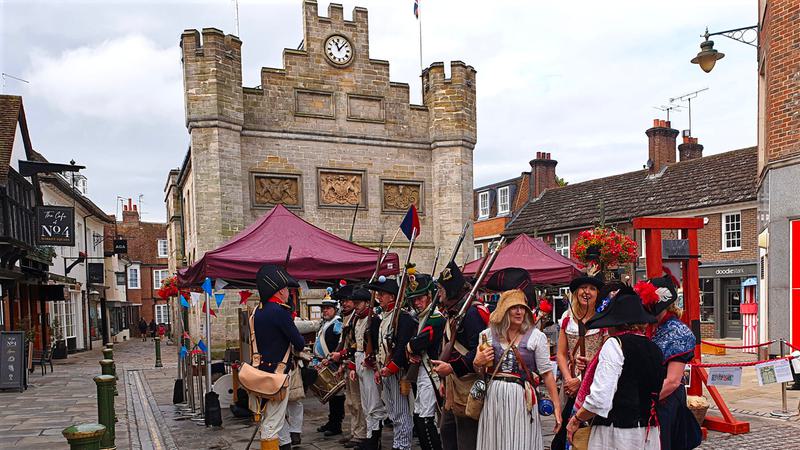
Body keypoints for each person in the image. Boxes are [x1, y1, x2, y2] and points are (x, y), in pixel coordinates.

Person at [566, 286, 665, 450]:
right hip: (649, 433)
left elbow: (599, 399)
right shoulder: (653, 348)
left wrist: (576, 419)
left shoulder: (614, 344)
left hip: (616, 434)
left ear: (614, 323)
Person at [472, 290, 561, 449]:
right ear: (504, 311)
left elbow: (547, 374)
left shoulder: (536, 337)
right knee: (496, 441)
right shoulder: (487, 335)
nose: (519, 312)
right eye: (514, 307)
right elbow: (480, 371)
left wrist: (556, 407)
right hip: (494, 397)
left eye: (522, 307)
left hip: (522, 398)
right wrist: (478, 362)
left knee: (521, 441)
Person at [636, 274, 702, 450]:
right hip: (650, 397)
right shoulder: (650, 328)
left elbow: (672, 381)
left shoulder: (678, 332)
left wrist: (643, 402)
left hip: (665, 401)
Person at [430, 261, 489, 450]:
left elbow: (480, 350)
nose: (439, 294)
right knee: (447, 434)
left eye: (441, 289)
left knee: (466, 441)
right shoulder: (454, 312)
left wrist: (452, 368)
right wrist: (443, 380)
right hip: (452, 386)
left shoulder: (471, 313)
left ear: (451, 290)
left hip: (468, 387)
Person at [551, 271, 606, 450]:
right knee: (564, 432)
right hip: (570, 383)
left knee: (590, 431)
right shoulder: (567, 320)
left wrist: (581, 381)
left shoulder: (604, 321)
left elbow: (605, 356)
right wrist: (569, 379)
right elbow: (561, 354)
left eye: (592, 288)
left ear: (598, 294)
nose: (586, 292)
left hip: (595, 380)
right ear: (576, 293)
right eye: (583, 287)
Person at [253, 264, 306, 450]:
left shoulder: (258, 311)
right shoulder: (280, 312)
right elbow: (299, 342)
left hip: (263, 371)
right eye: (285, 289)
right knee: (273, 423)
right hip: (279, 372)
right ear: (278, 291)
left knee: (269, 417)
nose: (287, 293)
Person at [366, 275, 417, 450]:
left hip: (397, 371)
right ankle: (398, 443)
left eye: (382, 294)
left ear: (393, 297)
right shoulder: (386, 317)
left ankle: (402, 445)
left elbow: (403, 346)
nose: (379, 297)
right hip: (385, 370)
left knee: (402, 412)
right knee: (393, 412)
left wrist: (391, 367)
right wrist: (380, 369)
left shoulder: (403, 318)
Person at [341, 284, 387, 450]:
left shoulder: (374, 321)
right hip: (359, 360)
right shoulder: (356, 321)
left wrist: (373, 363)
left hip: (370, 363)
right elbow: (354, 345)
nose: (355, 306)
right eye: (355, 303)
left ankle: (374, 439)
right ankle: (369, 436)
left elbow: (377, 345)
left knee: (373, 402)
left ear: (368, 303)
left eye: (359, 303)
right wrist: (353, 366)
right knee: (365, 403)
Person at [405, 273, 445, 450]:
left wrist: (409, 348)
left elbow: (417, 342)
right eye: (414, 300)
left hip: (432, 372)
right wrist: (410, 351)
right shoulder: (421, 318)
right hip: (421, 370)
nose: (417, 303)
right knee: (418, 414)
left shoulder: (435, 319)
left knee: (427, 417)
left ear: (430, 296)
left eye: (420, 298)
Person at [329, 284, 369, 448]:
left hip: (356, 362)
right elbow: (344, 342)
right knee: (351, 402)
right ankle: (355, 431)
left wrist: (343, 357)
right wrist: (340, 362)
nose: (344, 303)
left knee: (359, 402)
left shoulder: (357, 318)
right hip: (349, 363)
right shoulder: (349, 317)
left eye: (347, 301)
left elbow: (356, 345)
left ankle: (361, 434)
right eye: (342, 301)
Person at [313, 294, 345, 437]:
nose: (325, 311)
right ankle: (331, 422)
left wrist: (332, 359)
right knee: (332, 396)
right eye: (323, 309)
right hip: (325, 362)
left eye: (328, 309)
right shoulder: (326, 323)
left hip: (333, 363)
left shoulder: (337, 323)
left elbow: (340, 343)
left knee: (337, 395)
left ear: (334, 310)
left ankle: (336, 424)